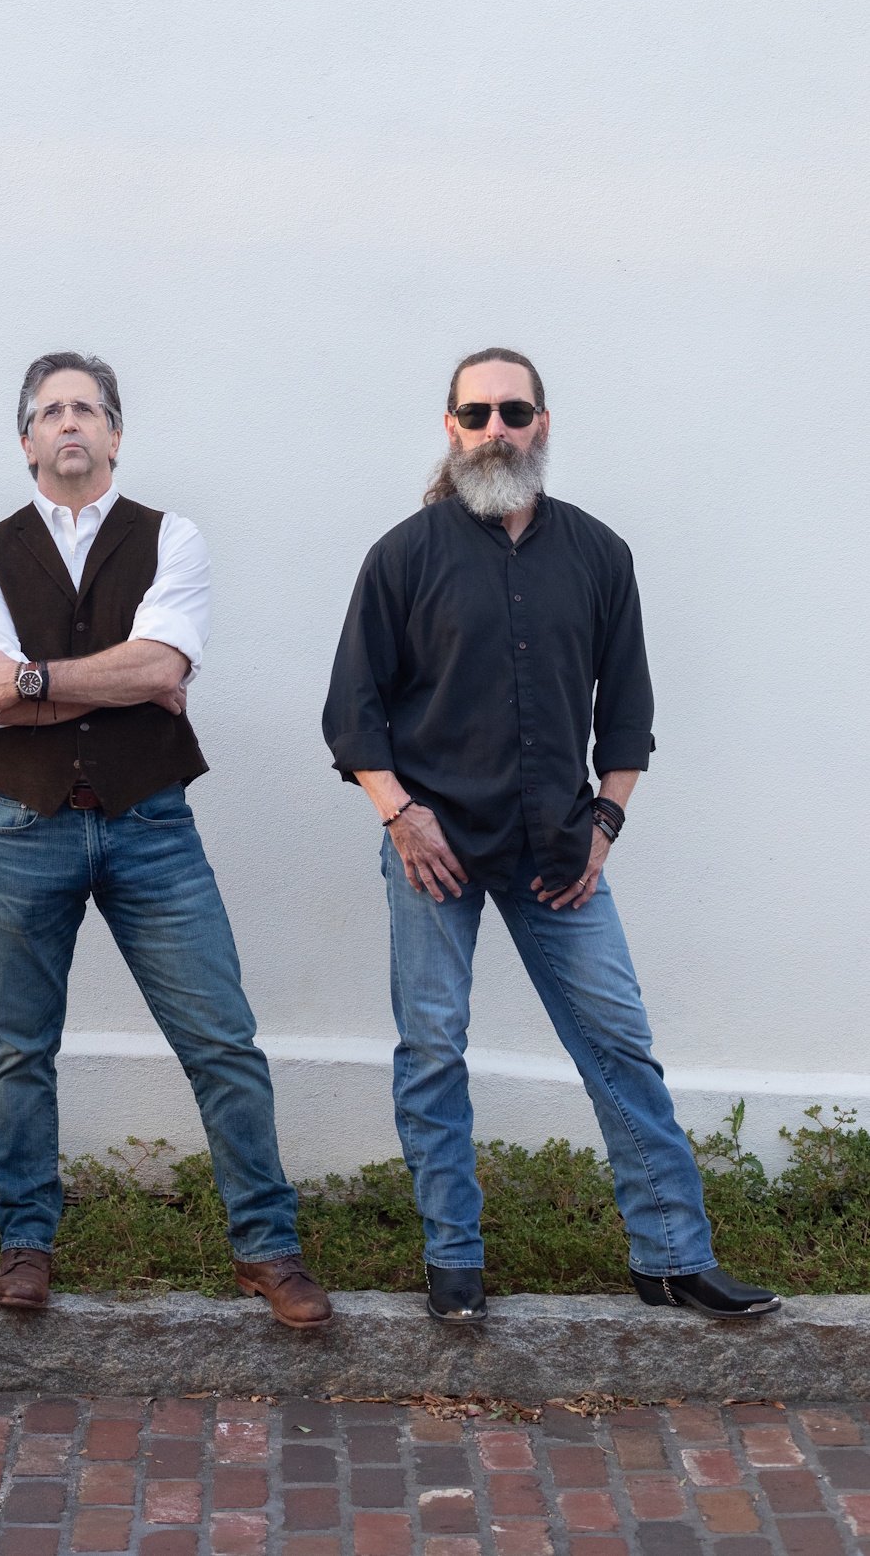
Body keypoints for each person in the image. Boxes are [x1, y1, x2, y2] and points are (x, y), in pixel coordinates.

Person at [322, 346, 779, 1324]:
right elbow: (352, 715)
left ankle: (670, 1256)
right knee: (435, 1047)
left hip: (559, 850)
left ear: (544, 423)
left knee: (620, 1042)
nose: (497, 430)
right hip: (431, 848)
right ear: (450, 427)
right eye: (477, 414)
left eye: (514, 412)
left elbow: (629, 712)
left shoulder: (600, 555)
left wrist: (605, 821)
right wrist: (399, 814)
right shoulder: (403, 557)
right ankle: (454, 1260)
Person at [0, 350, 331, 1327]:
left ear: (115, 433)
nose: (69, 422)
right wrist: (123, 681)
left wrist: (35, 681)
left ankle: (268, 1245)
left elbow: (158, 664)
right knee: (21, 1049)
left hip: (150, 824)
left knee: (222, 1038)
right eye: (51, 411)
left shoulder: (174, 538)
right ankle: (25, 1243)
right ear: (27, 438)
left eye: (87, 408)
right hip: (23, 821)